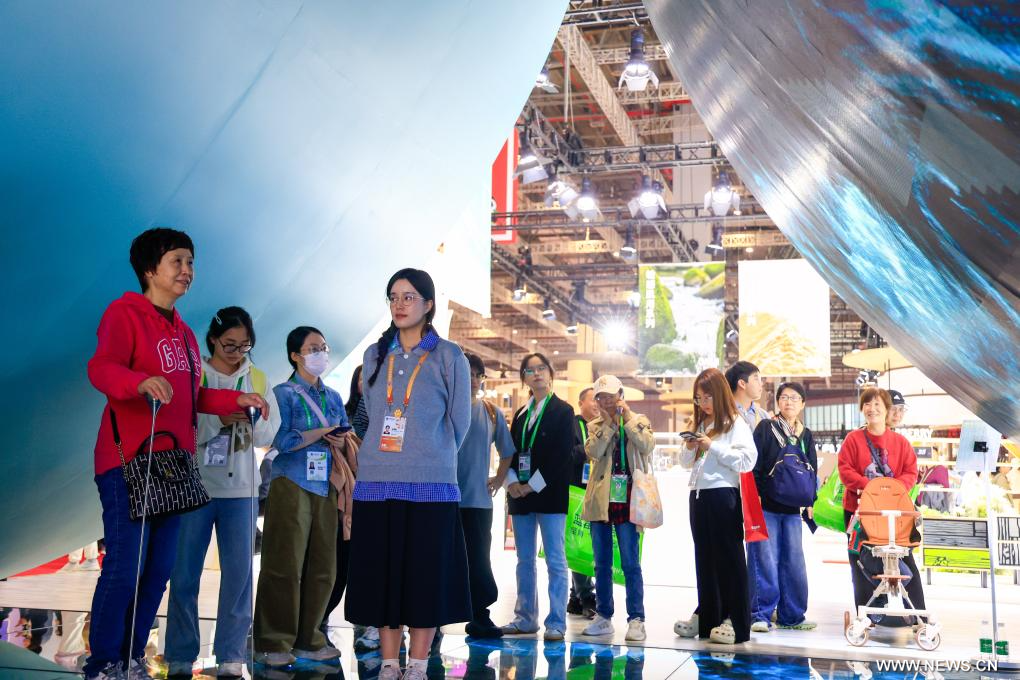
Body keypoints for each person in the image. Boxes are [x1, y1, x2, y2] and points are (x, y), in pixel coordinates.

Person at [84, 228, 269, 680]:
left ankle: (131, 658)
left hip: (174, 468)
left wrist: (235, 400)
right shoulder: (124, 314)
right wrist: (138, 382)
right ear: (151, 269)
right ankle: (103, 662)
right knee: (125, 567)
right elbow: (101, 367)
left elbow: (193, 396)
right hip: (128, 463)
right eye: (177, 261)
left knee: (158, 570)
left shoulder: (184, 333)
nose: (187, 270)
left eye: (190, 262)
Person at [345, 268, 473, 680]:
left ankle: (417, 665)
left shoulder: (449, 355)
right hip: (376, 481)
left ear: (428, 304)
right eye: (394, 297)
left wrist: (432, 455)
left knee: (424, 575)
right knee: (383, 574)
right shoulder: (374, 355)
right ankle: (388, 662)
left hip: (431, 484)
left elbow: (460, 421)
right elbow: (371, 413)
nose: (399, 305)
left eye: (409, 297)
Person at [165, 307, 279, 678]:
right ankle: (180, 654)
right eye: (229, 344)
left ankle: (231, 654)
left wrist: (253, 418)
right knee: (184, 574)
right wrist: (219, 417)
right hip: (195, 486)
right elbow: (182, 425)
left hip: (242, 490)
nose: (237, 352)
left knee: (239, 576)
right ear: (213, 339)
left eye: (244, 345)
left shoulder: (256, 377)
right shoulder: (196, 374)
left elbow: (268, 434)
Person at [253, 326, 352, 667]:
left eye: (323, 347)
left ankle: (310, 638)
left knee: (324, 566)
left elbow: (346, 434)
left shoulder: (334, 397)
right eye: (313, 348)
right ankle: (273, 642)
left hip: (326, 484)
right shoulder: (283, 394)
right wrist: (320, 433)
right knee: (284, 564)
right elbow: (280, 440)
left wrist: (339, 438)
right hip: (291, 482)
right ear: (295, 355)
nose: (321, 353)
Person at [499, 353, 577, 642]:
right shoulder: (521, 414)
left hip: (549, 494)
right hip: (520, 496)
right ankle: (525, 617)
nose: (536, 373)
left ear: (550, 373)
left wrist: (530, 486)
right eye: (529, 370)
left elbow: (562, 458)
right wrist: (511, 483)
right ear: (524, 378)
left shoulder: (563, 411)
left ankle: (556, 621)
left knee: (555, 559)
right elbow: (509, 452)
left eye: (541, 368)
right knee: (524, 559)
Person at [676, 368, 756, 645]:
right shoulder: (701, 423)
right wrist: (691, 446)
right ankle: (708, 618)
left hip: (723, 494)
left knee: (730, 560)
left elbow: (748, 460)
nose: (703, 403)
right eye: (698, 398)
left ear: (720, 393)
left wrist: (713, 446)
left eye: (708, 397)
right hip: (698, 496)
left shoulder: (734, 422)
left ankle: (735, 621)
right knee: (705, 560)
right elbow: (685, 463)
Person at [837, 387, 926, 625]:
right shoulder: (853, 439)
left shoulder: (900, 443)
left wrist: (890, 491)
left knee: (904, 558)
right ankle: (867, 616)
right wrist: (871, 489)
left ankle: (917, 614)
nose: (872, 409)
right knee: (860, 560)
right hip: (859, 511)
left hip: (895, 513)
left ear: (886, 409)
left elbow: (910, 472)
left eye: (877, 404)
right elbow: (845, 470)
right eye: (867, 404)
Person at [579, 375, 655, 642]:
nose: (606, 401)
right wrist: (610, 425)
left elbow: (647, 445)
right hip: (601, 501)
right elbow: (594, 452)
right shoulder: (594, 426)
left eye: (611, 396)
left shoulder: (638, 420)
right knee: (601, 564)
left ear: (621, 395)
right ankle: (603, 616)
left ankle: (637, 619)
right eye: (601, 397)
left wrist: (627, 418)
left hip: (628, 501)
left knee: (631, 563)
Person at [746, 382, 818, 633]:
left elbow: (812, 470)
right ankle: (760, 614)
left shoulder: (806, 434)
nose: (789, 402)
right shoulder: (766, 428)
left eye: (795, 398)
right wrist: (754, 498)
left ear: (802, 404)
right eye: (785, 397)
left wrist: (811, 501)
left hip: (792, 511)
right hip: (766, 506)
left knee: (794, 562)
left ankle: (792, 615)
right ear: (778, 402)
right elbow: (754, 465)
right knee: (763, 560)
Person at [453, 353, 515, 639]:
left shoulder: (491, 412)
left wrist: (498, 480)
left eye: (478, 375)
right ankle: (431, 619)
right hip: (440, 498)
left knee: (478, 560)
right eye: (469, 374)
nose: (474, 380)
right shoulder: (443, 407)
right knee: (437, 558)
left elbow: (507, 451)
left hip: (477, 501)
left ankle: (480, 615)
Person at [567, 387, 599, 619]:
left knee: (585, 545)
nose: (597, 403)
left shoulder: (603, 425)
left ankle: (575, 598)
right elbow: (567, 453)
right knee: (579, 545)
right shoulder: (573, 424)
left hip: (596, 492)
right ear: (581, 403)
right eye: (592, 399)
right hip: (576, 494)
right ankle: (586, 596)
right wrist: (589, 447)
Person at [725, 360, 769, 430]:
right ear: (742, 384)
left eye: (761, 380)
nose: (761, 384)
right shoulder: (724, 414)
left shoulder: (764, 416)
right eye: (756, 379)